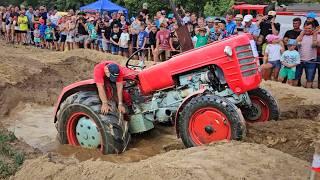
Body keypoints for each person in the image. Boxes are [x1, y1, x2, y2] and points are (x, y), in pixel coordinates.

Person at [294, 22, 320, 88]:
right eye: (305, 28)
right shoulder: (301, 36)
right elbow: (295, 44)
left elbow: (314, 45)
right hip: (299, 61)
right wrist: (301, 35)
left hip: (311, 61)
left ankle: (307, 94)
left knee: (309, 79)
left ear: (313, 28)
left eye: (309, 28)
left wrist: (314, 35)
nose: (307, 30)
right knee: (296, 78)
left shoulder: (318, 36)